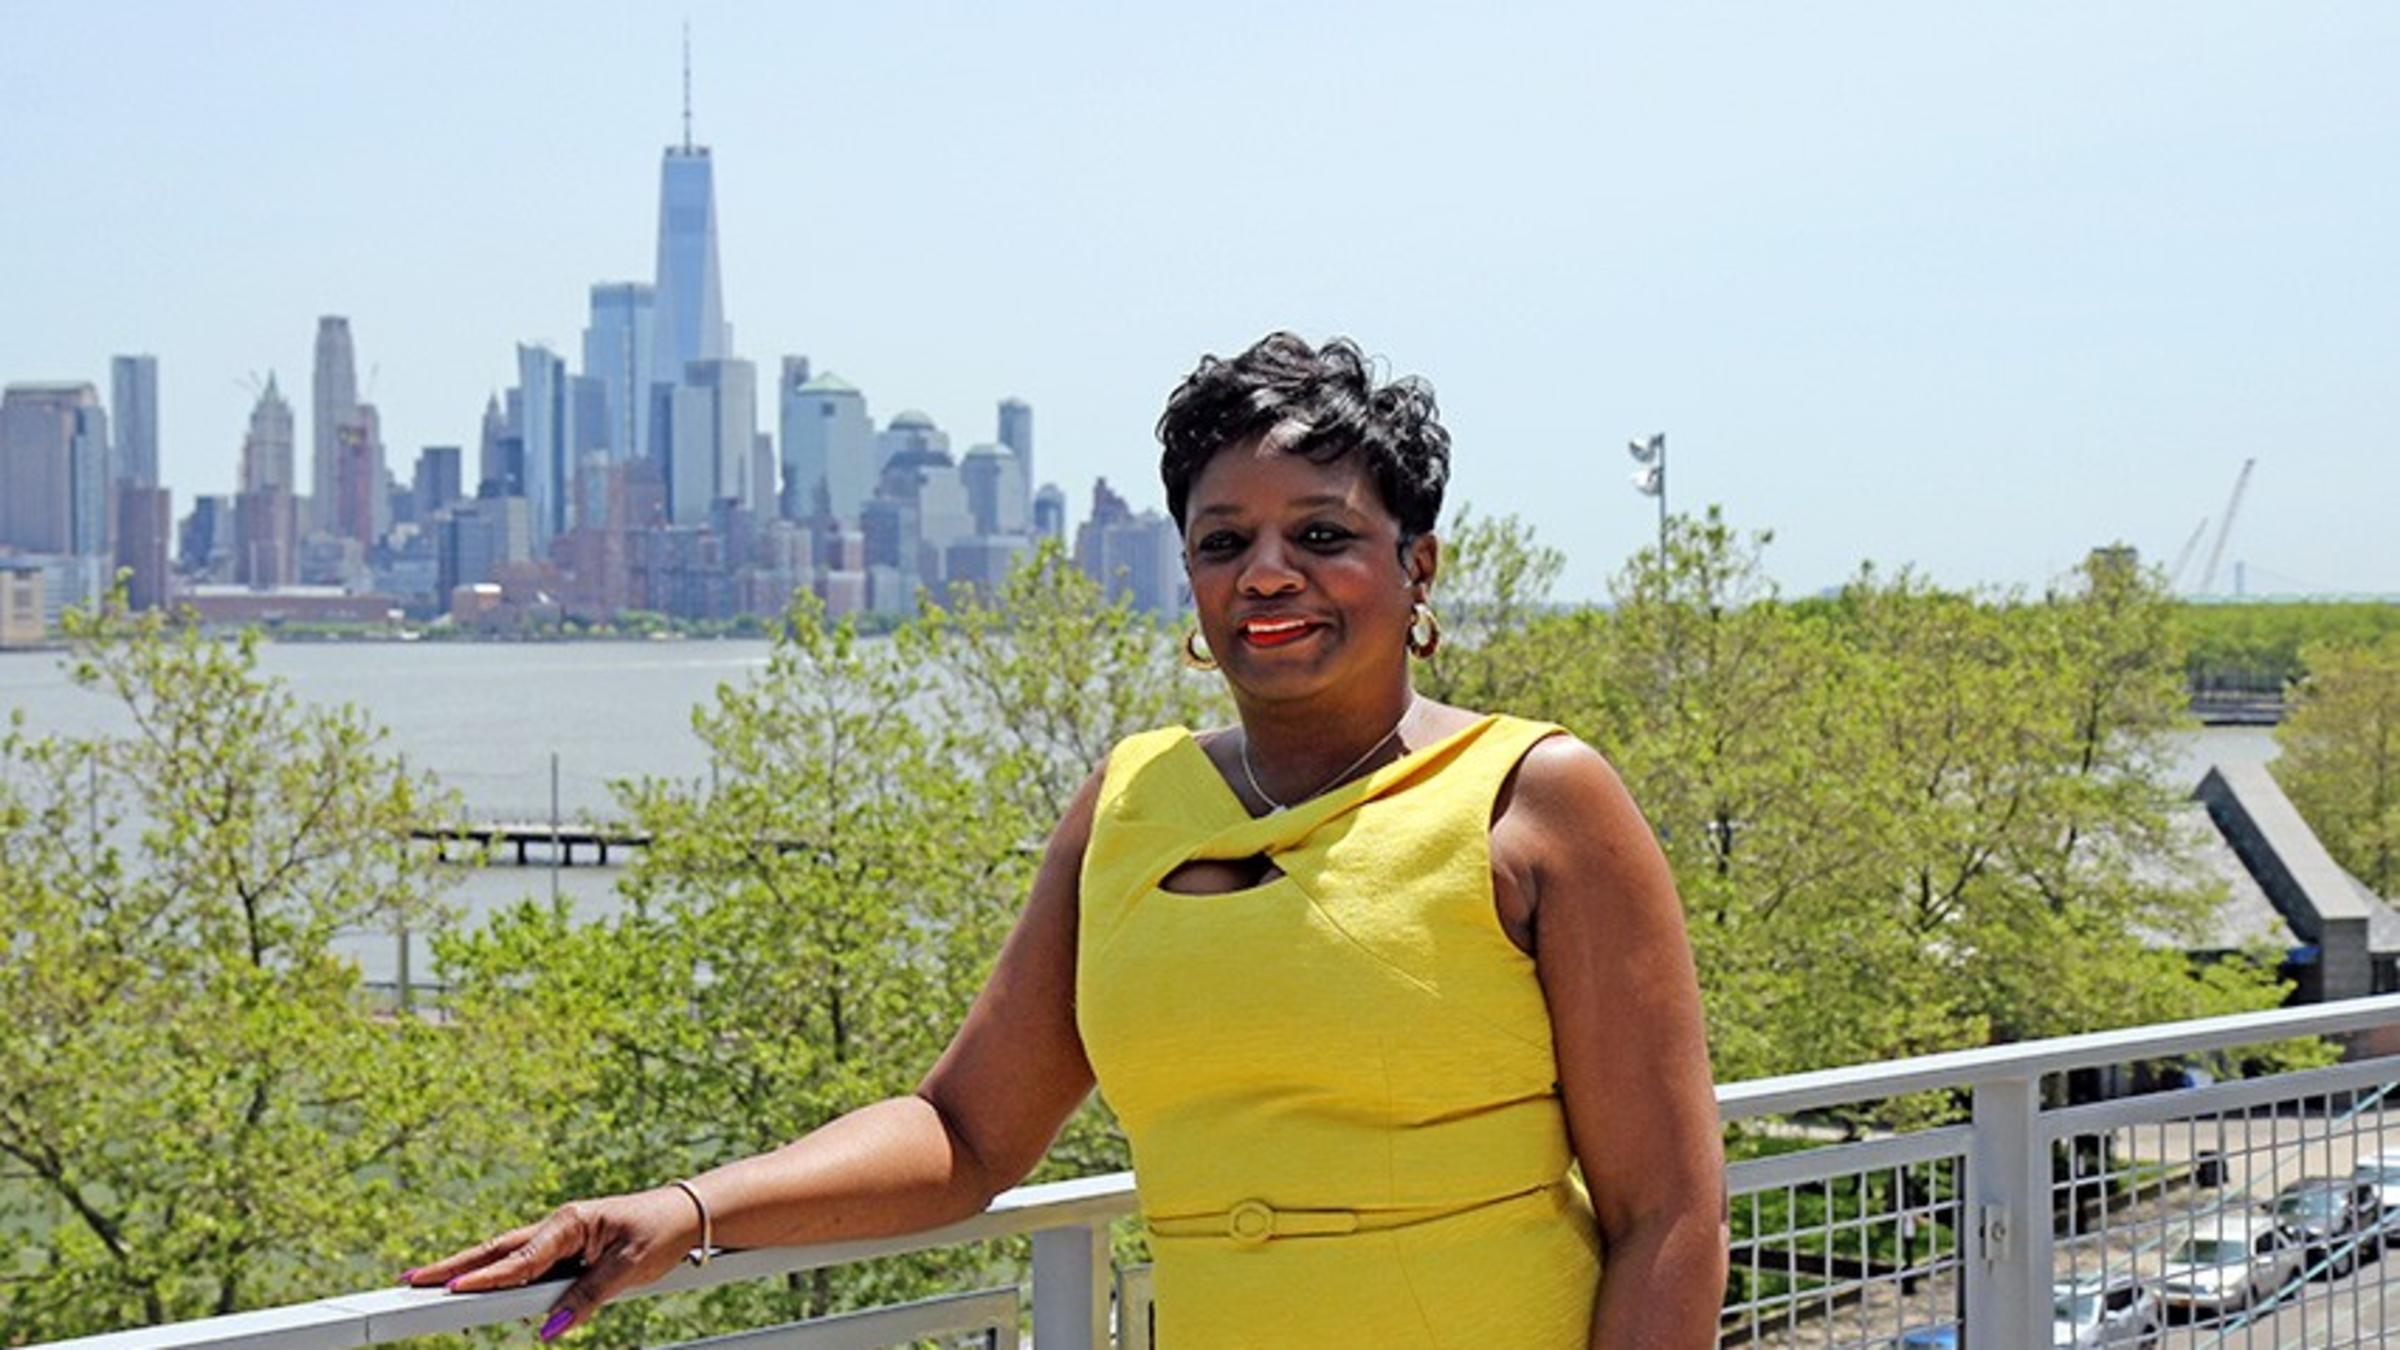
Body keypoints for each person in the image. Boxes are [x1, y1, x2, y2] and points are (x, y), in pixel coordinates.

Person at [404, 333, 1728, 1347]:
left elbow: (1667, 1212)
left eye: (1322, 534)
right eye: (1225, 540)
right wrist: (687, 1212)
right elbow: (964, 1133)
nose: (1268, 571)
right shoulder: (1132, 801)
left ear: (1418, 569)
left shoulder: (1537, 797)